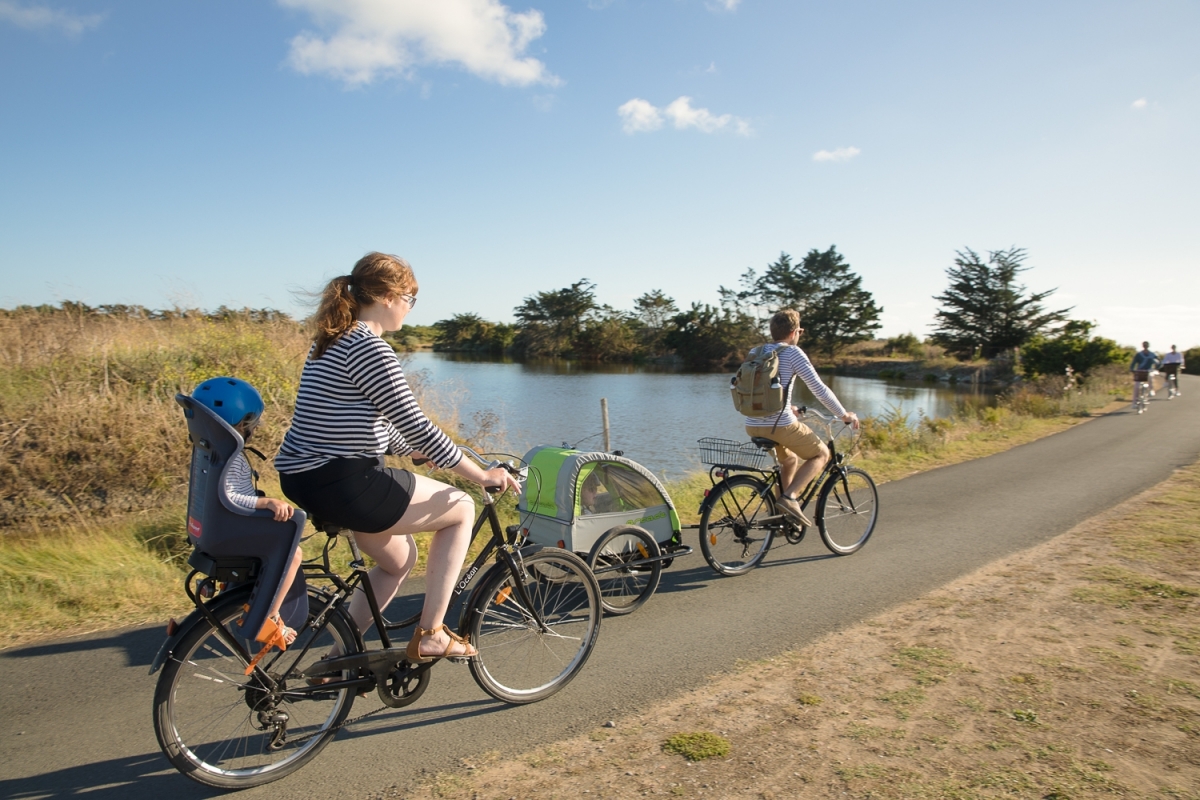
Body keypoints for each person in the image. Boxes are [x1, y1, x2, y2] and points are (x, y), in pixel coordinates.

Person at [275, 252, 521, 664]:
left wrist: (412, 449)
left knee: (399, 560)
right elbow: (417, 423)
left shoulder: (330, 341)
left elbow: (355, 424)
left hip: (305, 478)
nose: (410, 307)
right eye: (410, 297)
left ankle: (340, 657)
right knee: (461, 507)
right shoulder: (369, 348)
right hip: (345, 484)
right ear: (389, 296)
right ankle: (432, 634)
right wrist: (480, 475)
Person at [192, 376, 300, 648]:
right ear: (240, 422)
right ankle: (270, 615)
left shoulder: (209, 452)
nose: (254, 429)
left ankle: (244, 598)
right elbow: (230, 497)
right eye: (251, 423)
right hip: (229, 531)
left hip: (212, 532)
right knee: (293, 552)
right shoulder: (231, 458)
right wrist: (265, 503)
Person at [743, 309, 859, 527]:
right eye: (800, 331)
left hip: (752, 424)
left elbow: (759, 390)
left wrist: (788, 406)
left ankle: (782, 520)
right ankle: (789, 498)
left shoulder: (756, 352)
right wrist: (843, 414)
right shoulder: (793, 353)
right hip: (779, 425)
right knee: (821, 454)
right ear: (794, 332)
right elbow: (819, 389)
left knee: (790, 460)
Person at [1130, 341, 1159, 409]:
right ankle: (1135, 402)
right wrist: (1132, 369)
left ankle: (1151, 389)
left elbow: (1158, 362)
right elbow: (1133, 363)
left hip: (1149, 370)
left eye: (1146, 345)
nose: (1145, 346)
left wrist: (1157, 368)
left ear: (1148, 346)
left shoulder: (1152, 354)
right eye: (1144, 345)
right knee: (1136, 387)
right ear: (1142, 346)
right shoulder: (1139, 354)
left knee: (1150, 376)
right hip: (1140, 370)